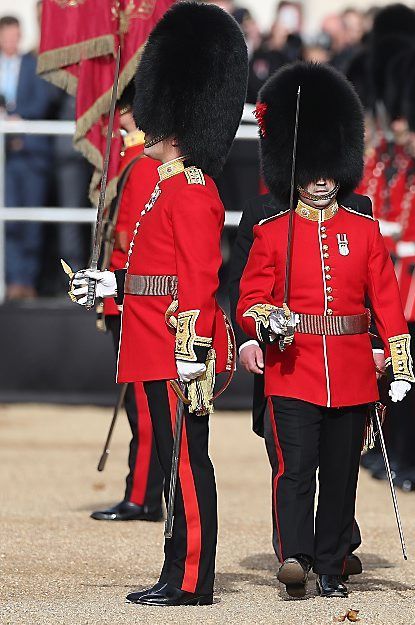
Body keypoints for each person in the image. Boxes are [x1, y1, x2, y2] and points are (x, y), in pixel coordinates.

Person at [68, 2, 247, 606]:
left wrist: (193, 355)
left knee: (188, 467)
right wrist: (110, 287)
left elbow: (196, 283)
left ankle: (194, 579)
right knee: (173, 468)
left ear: (169, 125)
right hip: (151, 341)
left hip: (177, 348)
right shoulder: (164, 187)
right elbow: (152, 275)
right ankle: (176, 571)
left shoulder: (193, 191)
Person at [238, 62, 414, 600]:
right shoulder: (272, 232)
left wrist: (399, 362)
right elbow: (249, 299)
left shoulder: (363, 229)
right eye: (312, 169)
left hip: (353, 369)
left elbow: (386, 299)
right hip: (294, 368)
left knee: (340, 476)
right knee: (294, 471)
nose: (320, 179)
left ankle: (333, 568)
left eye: (328, 170)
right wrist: (265, 322)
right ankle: (295, 556)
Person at [89, 82, 164, 523]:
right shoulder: (131, 160)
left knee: (143, 404)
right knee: (140, 404)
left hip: (132, 297)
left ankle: (143, 495)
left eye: (124, 109)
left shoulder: (139, 166)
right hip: (124, 293)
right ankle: (145, 492)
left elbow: (125, 236)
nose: (117, 116)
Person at [1, 14, 55, 300]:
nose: (11, 41)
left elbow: (42, 101)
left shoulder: (32, 65)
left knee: (31, 220)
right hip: (5, 159)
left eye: (15, 35)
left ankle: (27, 282)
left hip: (31, 155)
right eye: (7, 36)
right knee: (9, 220)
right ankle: (12, 280)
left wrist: (19, 120)